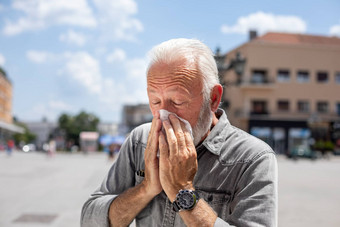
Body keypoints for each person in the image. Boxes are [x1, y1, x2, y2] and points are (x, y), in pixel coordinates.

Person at [81, 38, 278, 226]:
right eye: (155, 101)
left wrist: (182, 191)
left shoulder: (253, 158)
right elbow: (90, 221)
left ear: (213, 98)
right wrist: (146, 189)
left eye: (177, 101)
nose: (164, 114)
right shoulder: (140, 140)